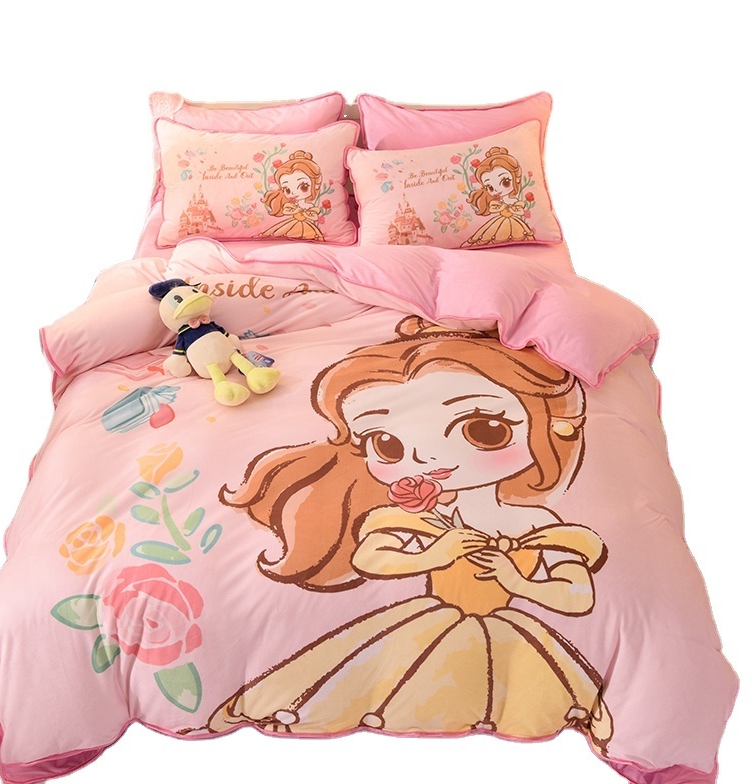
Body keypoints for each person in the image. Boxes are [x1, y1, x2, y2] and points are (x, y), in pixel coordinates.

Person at [197, 316, 613, 752]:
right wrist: (435, 553)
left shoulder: (539, 526)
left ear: (542, 425)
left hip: (511, 630)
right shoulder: (422, 518)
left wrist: (518, 581)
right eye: (386, 444)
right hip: (427, 624)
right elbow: (369, 557)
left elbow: (578, 595)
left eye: (485, 429)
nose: (428, 458)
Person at [462, 147, 534, 246]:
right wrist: (502, 207)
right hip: (499, 222)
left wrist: (511, 208)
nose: (497, 190)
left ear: (517, 178)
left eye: (505, 181)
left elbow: (520, 211)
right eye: (490, 187)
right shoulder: (496, 203)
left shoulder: (514, 201)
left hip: (514, 222)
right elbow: (492, 209)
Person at [258, 150, 325, 240]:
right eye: (287, 189)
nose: (293, 193)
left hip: (306, 225)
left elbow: (314, 216)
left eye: (303, 186)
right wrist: (296, 210)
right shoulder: (291, 205)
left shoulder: (310, 206)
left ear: (316, 184)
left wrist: (305, 212)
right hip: (293, 224)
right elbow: (286, 211)